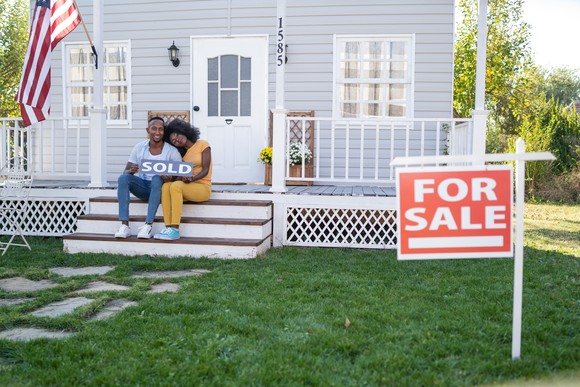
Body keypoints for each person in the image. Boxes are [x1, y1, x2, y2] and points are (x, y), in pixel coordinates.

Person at [114, 116, 182, 239]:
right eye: (154, 129)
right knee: (123, 178)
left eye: (161, 129)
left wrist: (170, 178)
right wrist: (130, 171)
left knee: (157, 178)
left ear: (164, 131)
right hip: (143, 186)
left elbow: (179, 177)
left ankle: (148, 226)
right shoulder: (139, 147)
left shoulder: (172, 151)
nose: (157, 132)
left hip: (159, 189)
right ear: (147, 130)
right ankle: (124, 226)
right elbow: (125, 171)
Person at [154, 119, 212, 240]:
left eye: (176, 134)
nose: (177, 139)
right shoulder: (183, 157)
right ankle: (168, 228)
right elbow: (180, 176)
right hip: (189, 187)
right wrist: (170, 177)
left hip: (203, 187)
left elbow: (205, 169)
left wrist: (192, 179)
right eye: (173, 141)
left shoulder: (203, 144)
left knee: (176, 186)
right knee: (166, 186)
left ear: (182, 131)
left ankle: (175, 229)